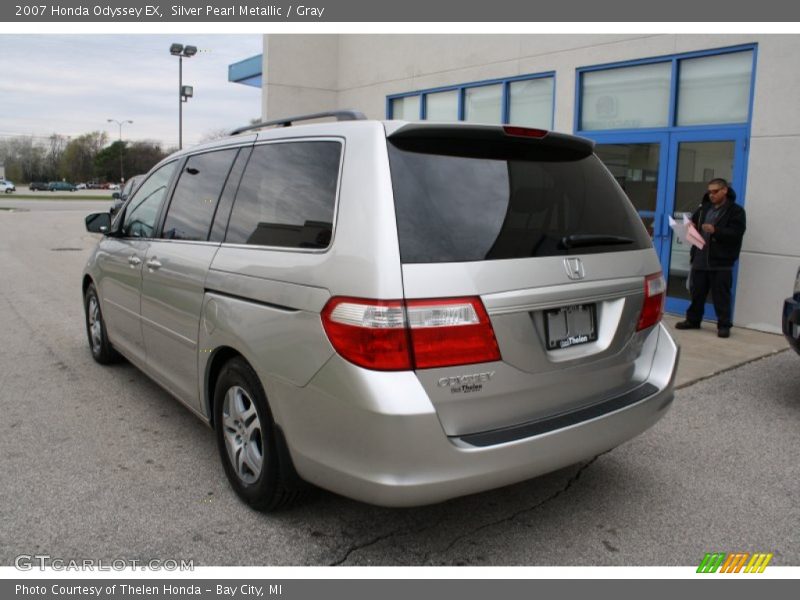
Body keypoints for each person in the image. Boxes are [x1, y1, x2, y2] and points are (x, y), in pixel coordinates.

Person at [675, 178, 746, 338]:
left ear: (724, 190)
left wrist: (716, 230)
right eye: (709, 191)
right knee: (697, 293)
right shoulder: (703, 209)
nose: (711, 195)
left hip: (721, 262)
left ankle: (724, 325)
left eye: (715, 191)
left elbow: (736, 233)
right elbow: (693, 222)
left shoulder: (736, 211)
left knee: (721, 295)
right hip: (700, 258)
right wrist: (690, 226)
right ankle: (693, 320)